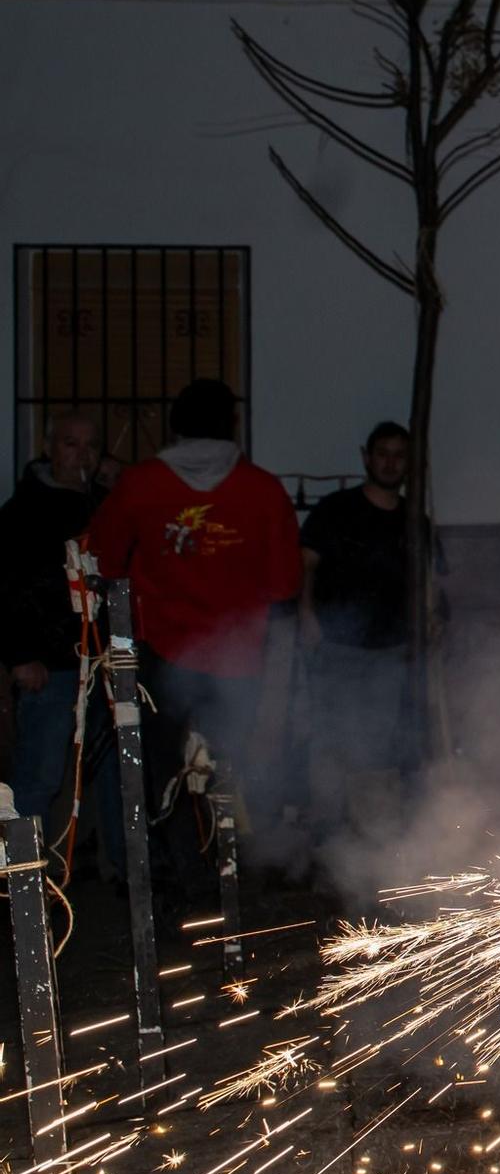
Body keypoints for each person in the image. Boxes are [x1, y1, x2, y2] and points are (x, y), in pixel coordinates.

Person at [86, 379, 300, 893]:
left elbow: (101, 562)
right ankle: (241, 870)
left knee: (165, 774)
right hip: (242, 661)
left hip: (164, 658)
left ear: (175, 425)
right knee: (236, 767)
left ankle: (182, 873)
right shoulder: (263, 490)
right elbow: (285, 587)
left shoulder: (140, 485)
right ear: (231, 424)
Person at [0, 412, 115, 843]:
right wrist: (20, 656)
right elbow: (5, 590)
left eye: (90, 445)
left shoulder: (105, 506)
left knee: (117, 776)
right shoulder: (21, 513)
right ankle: (26, 884)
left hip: (105, 662)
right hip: (49, 667)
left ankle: (125, 876)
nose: (81, 454)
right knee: (39, 778)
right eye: (71, 443)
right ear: (51, 448)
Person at [299, 422, 419, 830]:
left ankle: (370, 843)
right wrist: (307, 617)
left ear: (409, 462)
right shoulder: (336, 511)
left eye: (399, 455)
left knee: (379, 746)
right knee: (331, 742)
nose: (390, 462)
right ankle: (327, 837)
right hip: (338, 649)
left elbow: (432, 587)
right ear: (366, 457)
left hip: (391, 652)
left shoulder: (414, 520)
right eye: (382, 453)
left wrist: (433, 624)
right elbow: (305, 567)